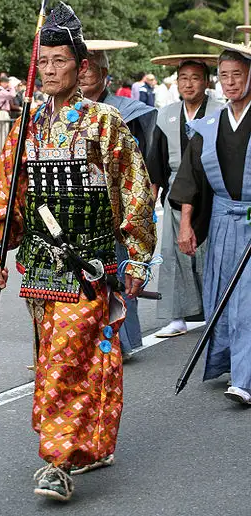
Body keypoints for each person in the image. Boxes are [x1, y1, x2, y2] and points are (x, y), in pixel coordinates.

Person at [0, 2, 156, 501]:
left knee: (67, 360)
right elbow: (3, 193)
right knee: (57, 362)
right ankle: (88, 443)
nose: (51, 70)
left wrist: (138, 257)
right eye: (44, 62)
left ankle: (57, 461)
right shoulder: (27, 125)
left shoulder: (105, 123)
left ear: (82, 68)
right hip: (40, 267)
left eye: (61, 60)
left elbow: (135, 192)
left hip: (90, 267)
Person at [170, 35, 251, 405]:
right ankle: (231, 363)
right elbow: (191, 178)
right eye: (224, 75)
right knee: (221, 293)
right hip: (221, 219)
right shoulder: (209, 124)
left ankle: (246, 379)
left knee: (247, 299)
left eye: (238, 74)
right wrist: (187, 223)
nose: (231, 82)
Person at [80, 42, 158, 358]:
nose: (84, 78)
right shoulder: (66, 112)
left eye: (91, 71)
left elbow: (138, 162)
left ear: (105, 75)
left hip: (114, 200)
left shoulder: (125, 112)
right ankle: (83, 340)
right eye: (80, 71)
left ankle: (118, 342)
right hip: (80, 202)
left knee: (115, 272)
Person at [146, 55, 222, 337]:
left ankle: (214, 312)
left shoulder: (219, 111)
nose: (189, 84)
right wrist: (150, 204)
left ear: (206, 82)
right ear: (177, 82)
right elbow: (157, 163)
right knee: (173, 255)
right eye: (183, 79)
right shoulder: (166, 114)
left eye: (195, 78)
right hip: (175, 194)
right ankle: (177, 316)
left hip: (213, 194)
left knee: (209, 254)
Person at [0, 75, 16, 154]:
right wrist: (12, 87)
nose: (7, 84)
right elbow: (12, 95)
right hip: (2, 113)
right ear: (2, 83)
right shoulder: (2, 92)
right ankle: (1, 151)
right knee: (2, 134)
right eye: (6, 83)